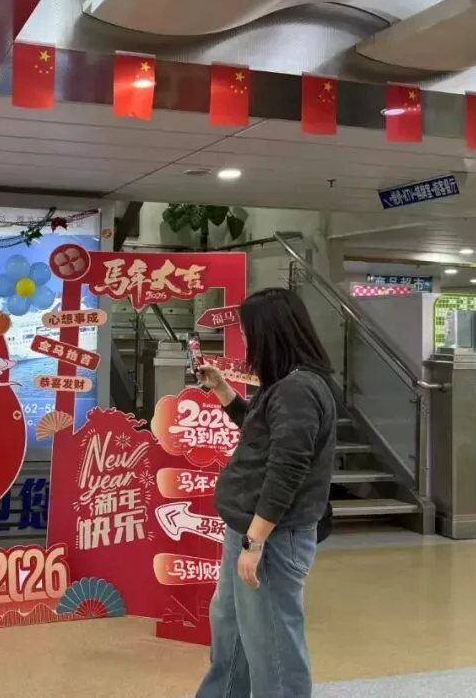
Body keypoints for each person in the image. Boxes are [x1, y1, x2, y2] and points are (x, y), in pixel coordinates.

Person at [193, 288, 337, 698]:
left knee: (271, 644)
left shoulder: (298, 389)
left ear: (270, 333)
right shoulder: (285, 385)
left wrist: (255, 542)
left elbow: (287, 470)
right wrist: (224, 391)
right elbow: (262, 433)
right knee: (232, 627)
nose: (246, 342)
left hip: (271, 535)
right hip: (248, 527)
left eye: (248, 332)